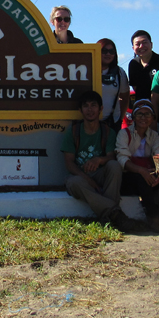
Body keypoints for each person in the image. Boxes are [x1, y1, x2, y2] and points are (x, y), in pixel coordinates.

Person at [60, 91, 136, 230]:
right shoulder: (73, 131)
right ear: (80, 110)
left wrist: (99, 160)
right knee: (73, 182)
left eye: (93, 106)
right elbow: (69, 163)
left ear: (100, 109)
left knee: (114, 166)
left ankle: (109, 214)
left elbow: (111, 157)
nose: (90, 110)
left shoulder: (108, 132)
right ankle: (114, 213)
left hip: (100, 174)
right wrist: (87, 179)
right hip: (80, 177)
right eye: (86, 106)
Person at [115, 99, 159, 232]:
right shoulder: (124, 134)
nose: (143, 118)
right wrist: (141, 171)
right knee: (141, 178)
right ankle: (154, 217)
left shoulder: (154, 136)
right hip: (128, 178)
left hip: (147, 173)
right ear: (134, 117)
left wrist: (157, 172)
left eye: (147, 114)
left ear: (152, 118)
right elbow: (122, 159)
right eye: (140, 114)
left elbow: (158, 153)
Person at [97, 39, 129, 134]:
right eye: (104, 51)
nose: (108, 54)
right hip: (88, 123)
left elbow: (125, 97)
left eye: (111, 51)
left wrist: (120, 119)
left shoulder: (120, 73)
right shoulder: (87, 70)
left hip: (112, 124)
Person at [127, 30, 159, 101]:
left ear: (151, 44)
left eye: (144, 42)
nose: (141, 46)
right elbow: (135, 87)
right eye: (137, 44)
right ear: (133, 48)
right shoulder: (133, 64)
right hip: (142, 106)